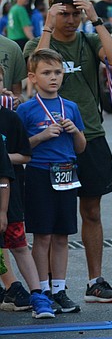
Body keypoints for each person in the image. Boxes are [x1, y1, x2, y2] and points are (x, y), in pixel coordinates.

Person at [24, 0, 112, 304]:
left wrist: (96, 19)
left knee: (91, 211)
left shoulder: (89, 37)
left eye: (75, 13)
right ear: (52, 12)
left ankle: (95, 280)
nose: (70, 19)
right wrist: (48, 26)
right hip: (50, 145)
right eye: (63, 13)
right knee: (52, 221)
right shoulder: (40, 41)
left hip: (89, 135)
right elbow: (34, 67)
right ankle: (52, 285)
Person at [18, 49, 87, 314]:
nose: (54, 78)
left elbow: (81, 147)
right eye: (47, 73)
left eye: (58, 72)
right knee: (43, 235)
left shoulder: (70, 107)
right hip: (39, 174)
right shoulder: (26, 110)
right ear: (33, 77)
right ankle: (42, 289)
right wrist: (42, 136)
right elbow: (22, 148)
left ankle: (60, 289)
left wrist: (75, 130)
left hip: (67, 174)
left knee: (62, 235)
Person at [0, 65, 54, 318]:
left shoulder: (10, 118)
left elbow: (25, 155)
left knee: (19, 244)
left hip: (9, 195)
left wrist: (2, 158)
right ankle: (10, 288)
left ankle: (38, 295)